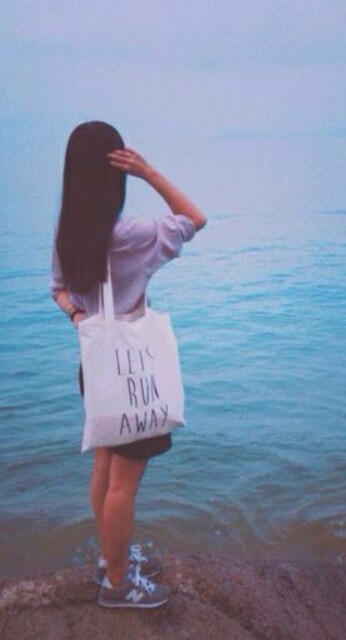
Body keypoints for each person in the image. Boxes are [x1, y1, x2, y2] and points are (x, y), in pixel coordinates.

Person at [51, 121, 207, 608]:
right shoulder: (128, 234)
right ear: (115, 170)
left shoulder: (68, 231)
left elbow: (58, 289)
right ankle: (118, 585)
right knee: (123, 485)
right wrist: (149, 172)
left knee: (104, 467)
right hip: (132, 368)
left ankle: (110, 558)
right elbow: (194, 218)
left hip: (96, 365)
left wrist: (79, 316)